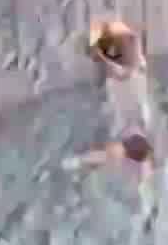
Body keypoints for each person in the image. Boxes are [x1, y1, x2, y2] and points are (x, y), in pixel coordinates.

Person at [62, 16, 156, 176]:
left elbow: (104, 155)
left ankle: (104, 41)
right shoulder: (136, 134)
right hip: (125, 83)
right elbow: (104, 155)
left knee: (124, 68)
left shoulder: (132, 135)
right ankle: (103, 41)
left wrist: (78, 161)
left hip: (124, 84)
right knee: (125, 67)